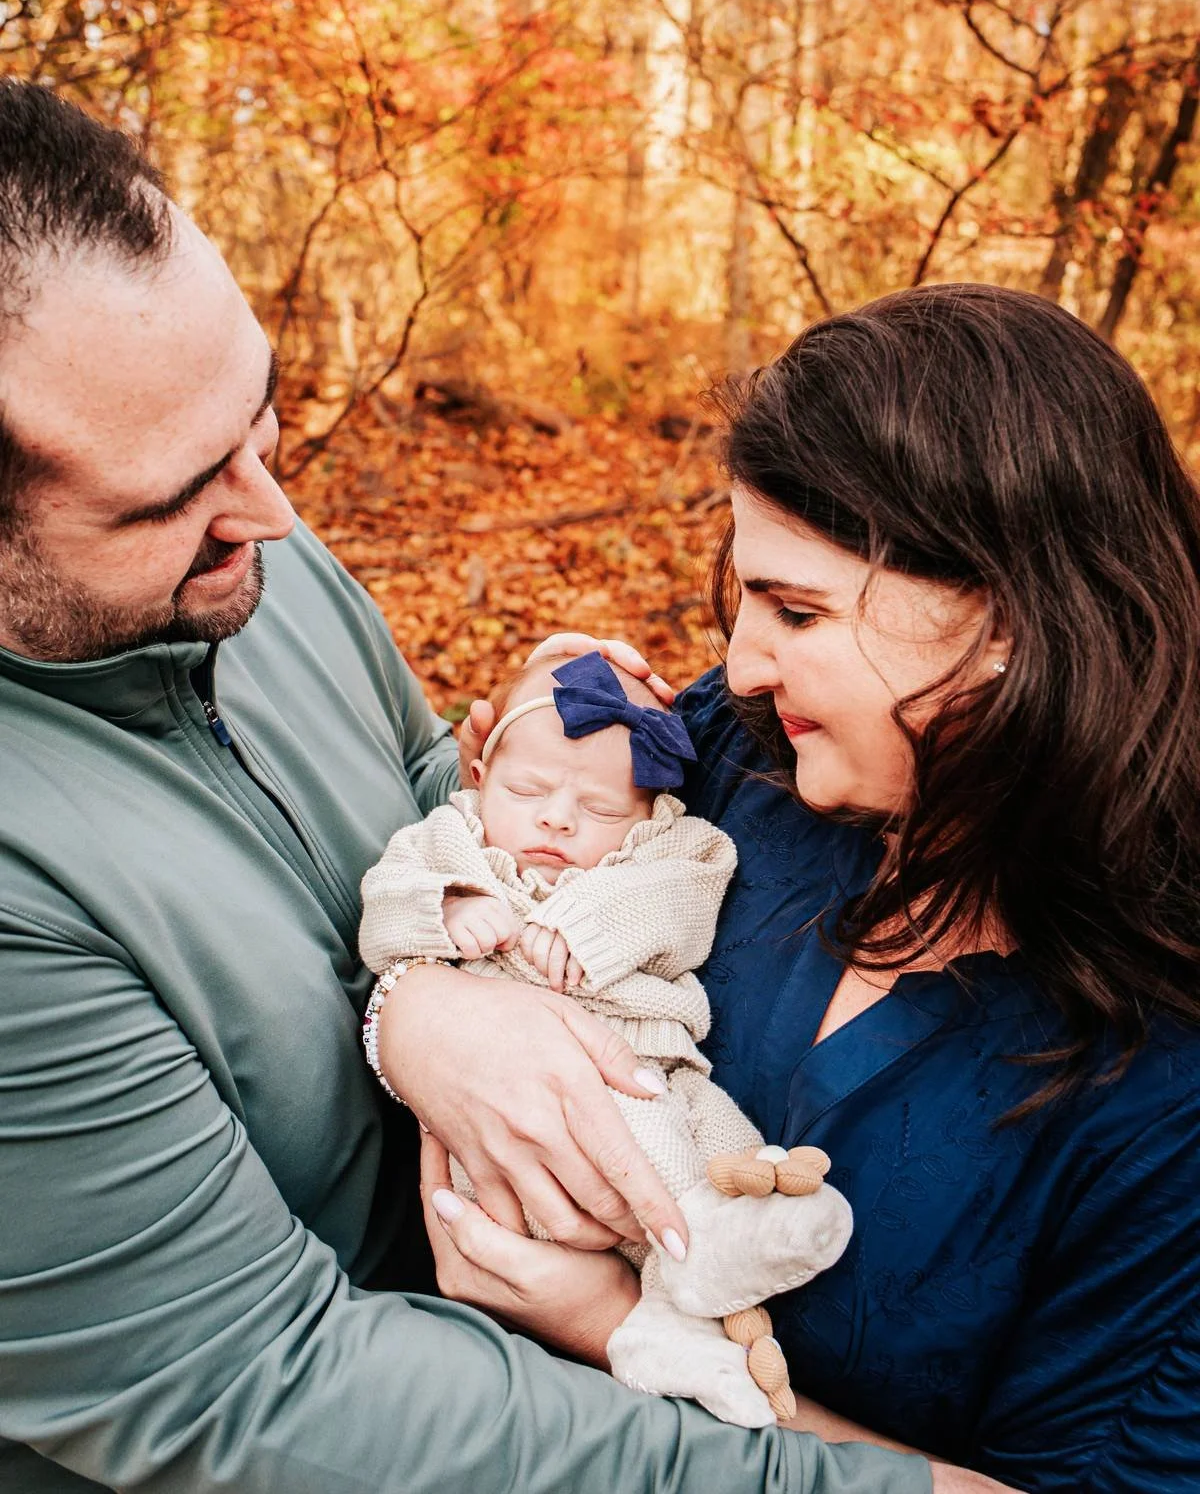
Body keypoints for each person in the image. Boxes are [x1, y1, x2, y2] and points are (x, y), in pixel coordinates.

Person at [0, 78, 932, 1494]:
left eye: (259, 418)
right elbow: (257, 1393)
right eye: (170, 496)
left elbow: (435, 787)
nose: (279, 514)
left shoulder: (254, 560)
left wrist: (435, 993)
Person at [379, 286, 1200, 1494]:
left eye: (798, 610)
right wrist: (425, 1016)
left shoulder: (1163, 1078)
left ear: (1013, 617)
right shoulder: (744, 750)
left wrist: (614, 1325)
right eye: (748, 593)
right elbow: (477, 838)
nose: (742, 658)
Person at [358, 649, 854, 1428]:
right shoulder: (447, 841)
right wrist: (443, 910)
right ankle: (690, 1268)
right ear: (481, 775)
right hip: (518, 1101)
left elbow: (692, 887)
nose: (557, 818)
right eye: (527, 790)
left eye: (602, 809)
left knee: (711, 1129)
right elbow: (384, 905)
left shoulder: (666, 847)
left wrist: (586, 924)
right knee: (630, 1123)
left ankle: (726, 1244)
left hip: (657, 1060)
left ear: (650, 812)